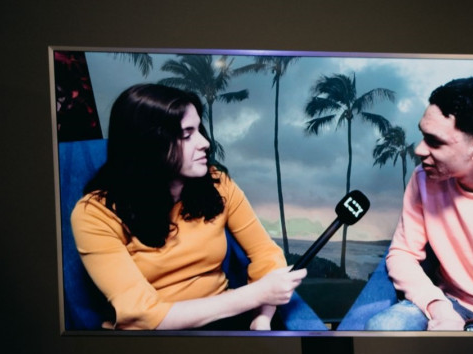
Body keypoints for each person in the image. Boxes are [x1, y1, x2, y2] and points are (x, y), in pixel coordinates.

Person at [70, 84, 305, 330]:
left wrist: (262, 317)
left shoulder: (218, 184)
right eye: (186, 135)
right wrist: (255, 295)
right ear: (148, 144)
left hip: (225, 323)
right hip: (151, 340)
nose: (205, 143)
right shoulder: (95, 213)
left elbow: (266, 254)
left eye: (199, 130)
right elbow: (142, 315)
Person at [367, 77, 473, 331]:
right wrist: (439, 308)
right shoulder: (424, 178)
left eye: (435, 141)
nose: (419, 150)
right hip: (452, 303)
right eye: (423, 135)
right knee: (384, 327)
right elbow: (402, 253)